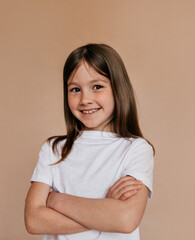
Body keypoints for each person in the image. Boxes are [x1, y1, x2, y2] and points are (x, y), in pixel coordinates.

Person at [24, 43, 155, 240]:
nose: (85, 99)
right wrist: (104, 209)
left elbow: (126, 219)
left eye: (97, 87)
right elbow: (34, 221)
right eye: (75, 89)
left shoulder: (136, 149)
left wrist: (56, 200)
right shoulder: (53, 149)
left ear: (118, 89)